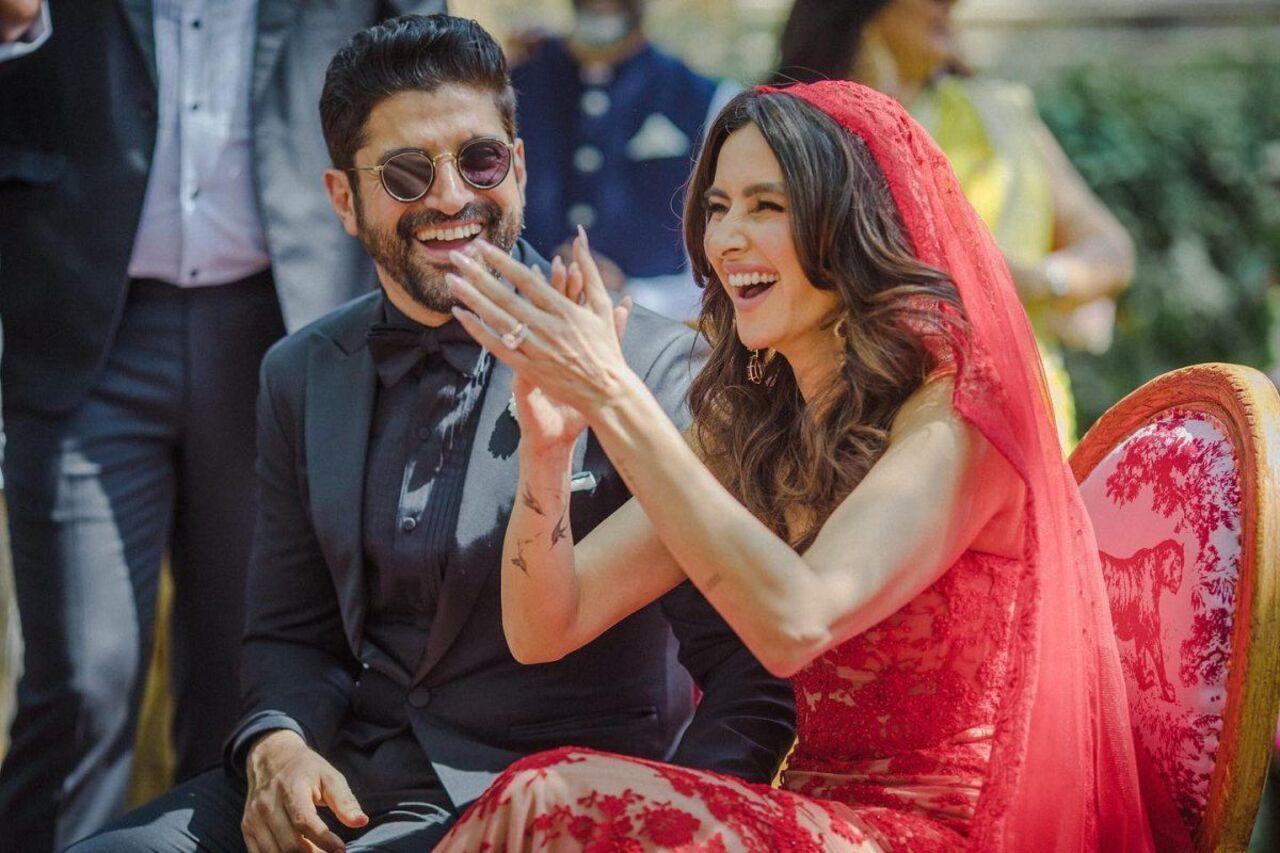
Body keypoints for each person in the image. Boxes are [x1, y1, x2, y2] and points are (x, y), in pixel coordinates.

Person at [68, 15, 794, 853]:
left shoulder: (655, 367)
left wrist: (670, 829)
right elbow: (288, 632)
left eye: (480, 160)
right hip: (343, 786)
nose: (450, 196)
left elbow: (748, 682)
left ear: (517, 167)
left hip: (536, 809)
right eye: (406, 173)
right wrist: (279, 746)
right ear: (344, 199)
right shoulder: (299, 370)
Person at [435, 80, 1155, 850]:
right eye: (717, 208)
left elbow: (795, 621)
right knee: (540, 793)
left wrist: (616, 395)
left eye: (765, 207)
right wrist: (548, 452)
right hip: (812, 813)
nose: (726, 240)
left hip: (945, 830)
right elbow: (548, 624)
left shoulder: (959, 416)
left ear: (851, 227)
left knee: (549, 800)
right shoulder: (760, 423)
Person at [0, 2, 452, 847]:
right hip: (82, 325)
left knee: (243, 682)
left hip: (282, 321)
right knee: (80, 679)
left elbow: (427, 66)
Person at [773, 0, 1135, 450]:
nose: (952, 4)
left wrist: (1037, 281)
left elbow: (1112, 250)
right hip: (858, 430)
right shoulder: (795, 127)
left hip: (1018, 425)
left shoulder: (1000, 116)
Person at [511, 0, 740, 321]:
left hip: (649, 343)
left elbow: (725, 268)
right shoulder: (513, 84)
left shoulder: (710, 101)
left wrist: (632, 294)